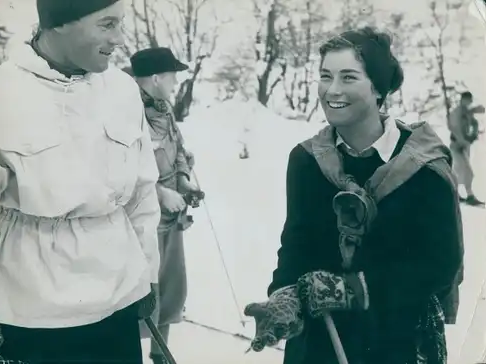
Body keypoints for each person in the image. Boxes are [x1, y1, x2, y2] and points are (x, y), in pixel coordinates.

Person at [244, 27, 463, 364]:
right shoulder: (306, 160)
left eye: (348, 77)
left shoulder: (423, 166)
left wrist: (351, 289)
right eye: (325, 76)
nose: (332, 90)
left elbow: (439, 265)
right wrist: (284, 295)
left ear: (378, 89)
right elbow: (297, 244)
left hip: (399, 339)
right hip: (321, 341)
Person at [0, 1, 161, 363]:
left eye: (121, 23)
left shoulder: (123, 90)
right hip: (34, 310)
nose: (119, 39)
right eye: (107, 24)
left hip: (119, 297)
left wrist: (149, 272)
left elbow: (143, 194)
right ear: (58, 23)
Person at [129, 47, 203, 364]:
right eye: (172, 76)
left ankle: (161, 357)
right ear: (157, 78)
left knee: (171, 290)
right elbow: (123, 168)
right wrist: (160, 192)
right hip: (141, 221)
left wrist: (184, 180)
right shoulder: (127, 112)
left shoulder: (164, 109)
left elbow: (180, 150)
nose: (175, 82)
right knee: (141, 294)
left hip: (171, 218)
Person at [448, 91, 485, 206]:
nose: (469, 102)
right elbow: (454, 128)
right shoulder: (456, 112)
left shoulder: (466, 111)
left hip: (463, 146)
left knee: (458, 172)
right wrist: (462, 141)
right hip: (457, 146)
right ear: (463, 99)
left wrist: (473, 135)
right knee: (468, 172)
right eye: (468, 100)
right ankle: (470, 196)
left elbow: (477, 115)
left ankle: (454, 195)